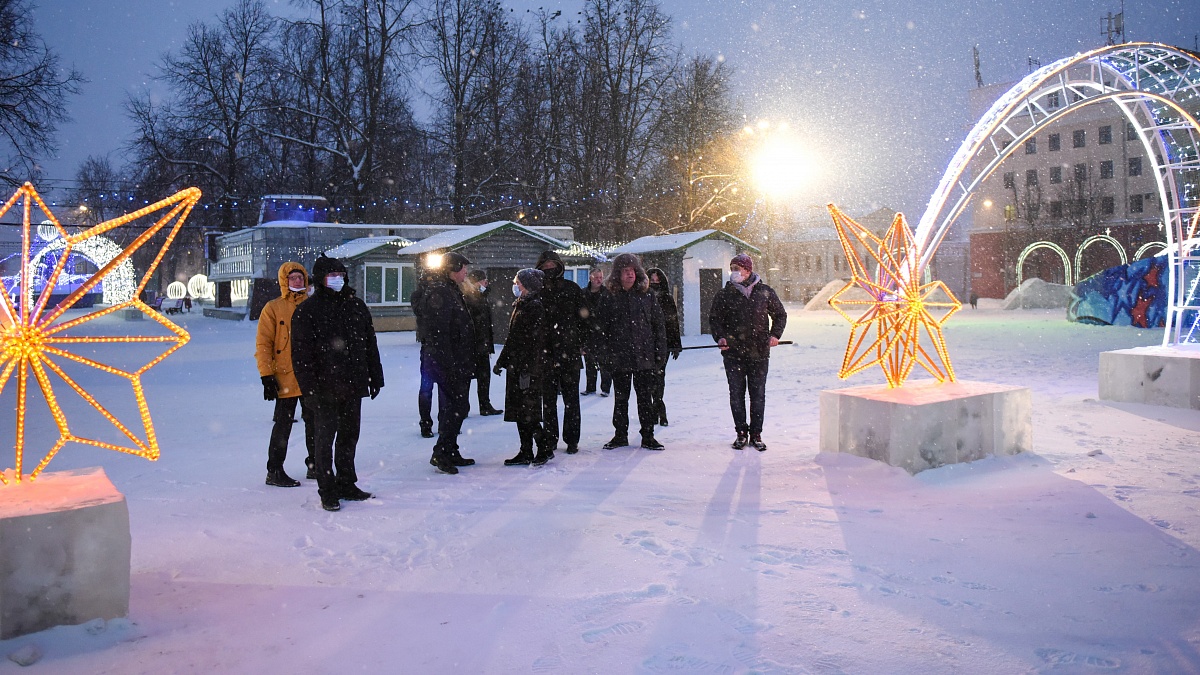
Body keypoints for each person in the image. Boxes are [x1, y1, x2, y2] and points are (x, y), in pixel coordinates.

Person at [291, 255, 384, 511]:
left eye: (341, 275)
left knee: (349, 436)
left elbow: (369, 344)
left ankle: (346, 482)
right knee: (324, 439)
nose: (337, 279)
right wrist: (308, 388)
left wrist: (375, 376)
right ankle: (327, 488)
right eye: (332, 275)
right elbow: (301, 355)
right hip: (323, 387)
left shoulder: (356, 306)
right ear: (320, 279)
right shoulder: (308, 311)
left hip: (353, 384)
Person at [709, 253, 787, 452]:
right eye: (732, 268)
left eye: (738, 268)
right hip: (733, 354)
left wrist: (775, 335)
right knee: (736, 394)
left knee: (757, 394)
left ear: (748, 270)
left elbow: (780, 315)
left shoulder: (764, 292)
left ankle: (756, 433)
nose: (734, 272)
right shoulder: (724, 294)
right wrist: (720, 337)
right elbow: (715, 319)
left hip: (759, 353)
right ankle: (741, 433)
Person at [596, 253, 668, 451]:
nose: (630, 274)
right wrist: (603, 355)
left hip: (644, 357)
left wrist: (660, 352)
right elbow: (601, 328)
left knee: (645, 398)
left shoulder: (647, 296)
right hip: (619, 358)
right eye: (625, 271)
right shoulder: (609, 297)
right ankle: (620, 435)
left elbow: (658, 325)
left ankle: (648, 435)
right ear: (618, 274)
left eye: (633, 271)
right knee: (621, 399)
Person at [255, 262, 316, 488]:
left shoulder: (313, 306)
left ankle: (315, 464)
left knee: (315, 422)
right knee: (283, 424)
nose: (298, 282)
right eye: (293, 278)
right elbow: (264, 344)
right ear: (284, 281)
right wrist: (266, 375)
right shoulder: (273, 308)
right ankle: (275, 470)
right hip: (285, 377)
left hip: (310, 376)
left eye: (301, 278)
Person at [416, 251, 477, 474]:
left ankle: (450, 449)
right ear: (452, 270)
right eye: (463, 268)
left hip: (456, 359)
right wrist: (449, 363)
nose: (466, 272)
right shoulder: (440, 292)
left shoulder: (450, 290)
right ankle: (441, 453)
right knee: (455, 406)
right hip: (446, 361)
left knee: (458, 406)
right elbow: (439, 331)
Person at [494, 268, 554, 466]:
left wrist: (525, 367)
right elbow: (513, 339)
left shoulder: (534, 307)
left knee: (527, 411)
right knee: (521, 411)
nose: (516, 286)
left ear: (528, 286)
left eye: (518, 283)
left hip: (527, 368)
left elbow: (531, 342)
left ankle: (543, 447)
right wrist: (503, 361)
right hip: (518, 366)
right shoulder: (522, 304)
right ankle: (526, 450)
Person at [535, 250, 586, 454]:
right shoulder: (537, 290)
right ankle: (550, 437)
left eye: (552, 266)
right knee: (548, 401)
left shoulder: (571, 289)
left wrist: (582, 342)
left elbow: (584, 318)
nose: (549, 270)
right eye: (545, 266)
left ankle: (572, 439)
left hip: (569, 352)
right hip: (545, 354)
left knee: (571, 399)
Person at [462, 269, 503, 416]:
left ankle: (484, 405)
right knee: (467, 377)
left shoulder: (481, 297)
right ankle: (463, 407)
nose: (486, 282)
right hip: (473, 344)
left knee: (484, 377)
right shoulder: (468, 297)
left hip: (482, 344)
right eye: (483, 280)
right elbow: (473, 319)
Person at [646, 267, 683, 426]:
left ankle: (659, 406)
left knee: (659, 376)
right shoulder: (643, 297)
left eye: (657, 280)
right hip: (646, 343)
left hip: (664, 343)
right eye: (652, 280)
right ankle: (654, 409)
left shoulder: (667, 298)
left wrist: (675, 344)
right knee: (649, 378)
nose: (655, 283)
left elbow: (673, 322)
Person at [410, 267, 440, 438]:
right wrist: (427, 291)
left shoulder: (444, 293)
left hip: (444, 345)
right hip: (429, 345)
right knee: (426, 387)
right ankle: (425, 423)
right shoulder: (418, 295)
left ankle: (446, 422)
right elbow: (421, 310)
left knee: (445, 388)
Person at [581, 267, 612, 397]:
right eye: (596, 277)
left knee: (605, 363)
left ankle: (605, 388)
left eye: (600, 277)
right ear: (590, 278)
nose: (599, 280)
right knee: (590, 363)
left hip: (604, 333)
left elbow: (611, 315)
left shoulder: (607, 294)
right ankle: (590, 387)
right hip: (588, 332)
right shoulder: (583, 294)